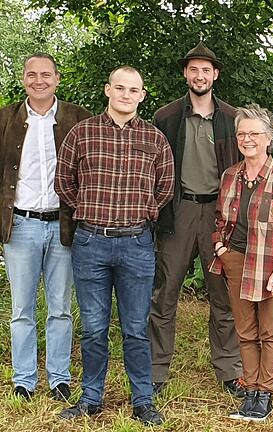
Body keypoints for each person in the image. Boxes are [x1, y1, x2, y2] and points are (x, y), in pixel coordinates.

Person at [54, 66, 174, 425]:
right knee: (93, 327)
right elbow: (64, 182)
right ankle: (91, 398)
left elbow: (165, 187)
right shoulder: (82, 133)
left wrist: (145, 211)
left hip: (136, 244)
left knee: (136, 328)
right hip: (91, 242)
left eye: (133, 89)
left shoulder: (154, 139)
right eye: (119, 88)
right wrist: (86, 211)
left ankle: (143, 401)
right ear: (108, 90)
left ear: (142, 95)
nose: (126, 94)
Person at [150, 42, 243, 396]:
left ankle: (229, 369)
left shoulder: (233, 119)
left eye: (206, 70)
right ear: (185, 74)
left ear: (215, 75)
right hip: (179, 210)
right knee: (165, 292)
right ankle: (157, 371)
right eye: (193, 69)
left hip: (220, 214)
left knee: (223, 294)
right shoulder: (167, 116)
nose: (199, 75)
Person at [0, 53, 91, 401]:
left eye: (46, 74)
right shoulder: (5, 119)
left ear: (57, 78)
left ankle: (59, 379)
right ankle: (23, 380)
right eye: (32, 74)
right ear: (23, 78)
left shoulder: (77, 118)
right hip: (20, 225)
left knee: (61, 308)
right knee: (21, 309)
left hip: (63, 226)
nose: (39, 80)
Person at [209, 104, 273, 422]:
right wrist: (220, 247)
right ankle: (249, 390)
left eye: (254, 133)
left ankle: (265, 394)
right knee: (245, 331)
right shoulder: (231, 176)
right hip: (236, 261)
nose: (247, 139)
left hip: (269, 265)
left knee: (270, 332)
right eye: (242, 134)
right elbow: (220, 218)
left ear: (269, 138)